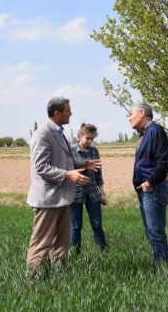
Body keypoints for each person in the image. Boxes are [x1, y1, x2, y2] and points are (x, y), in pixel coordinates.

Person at [26, 97, 101, 277]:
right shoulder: (42, 134)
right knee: (41, 243)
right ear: (57, 113)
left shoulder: (58, 132)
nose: (71, 113)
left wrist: (83, 164)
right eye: (68, 110)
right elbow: (41, 167)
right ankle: (33, 280)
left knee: (61, 243)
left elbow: (62, 160)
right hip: (48, 199)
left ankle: (59, 277)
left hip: (62, 197)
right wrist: (68, 174)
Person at [128, 102, 168, 267]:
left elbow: (164, 161)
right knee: (150, 232)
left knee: (155, 232)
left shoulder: (155, 131)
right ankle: (159, 265)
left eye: (130, 114)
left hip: (153, 188)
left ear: (141, 113)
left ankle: (163, 269)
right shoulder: (145, 133)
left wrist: (150, 181)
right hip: (145, 189)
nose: (129, 118)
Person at [70, 123, 108, 254]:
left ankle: (104, 252)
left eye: (92, 139)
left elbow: (98, 174)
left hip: (92, 193)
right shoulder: (70, 150)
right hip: (75, 193)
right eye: (87, 138)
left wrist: (102, 193)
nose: (90, 141)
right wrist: (84, 166)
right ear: (80, 135)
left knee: (97, 225)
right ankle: (75, 254)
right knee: (76, 226)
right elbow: (68, 171)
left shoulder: (94, 151)